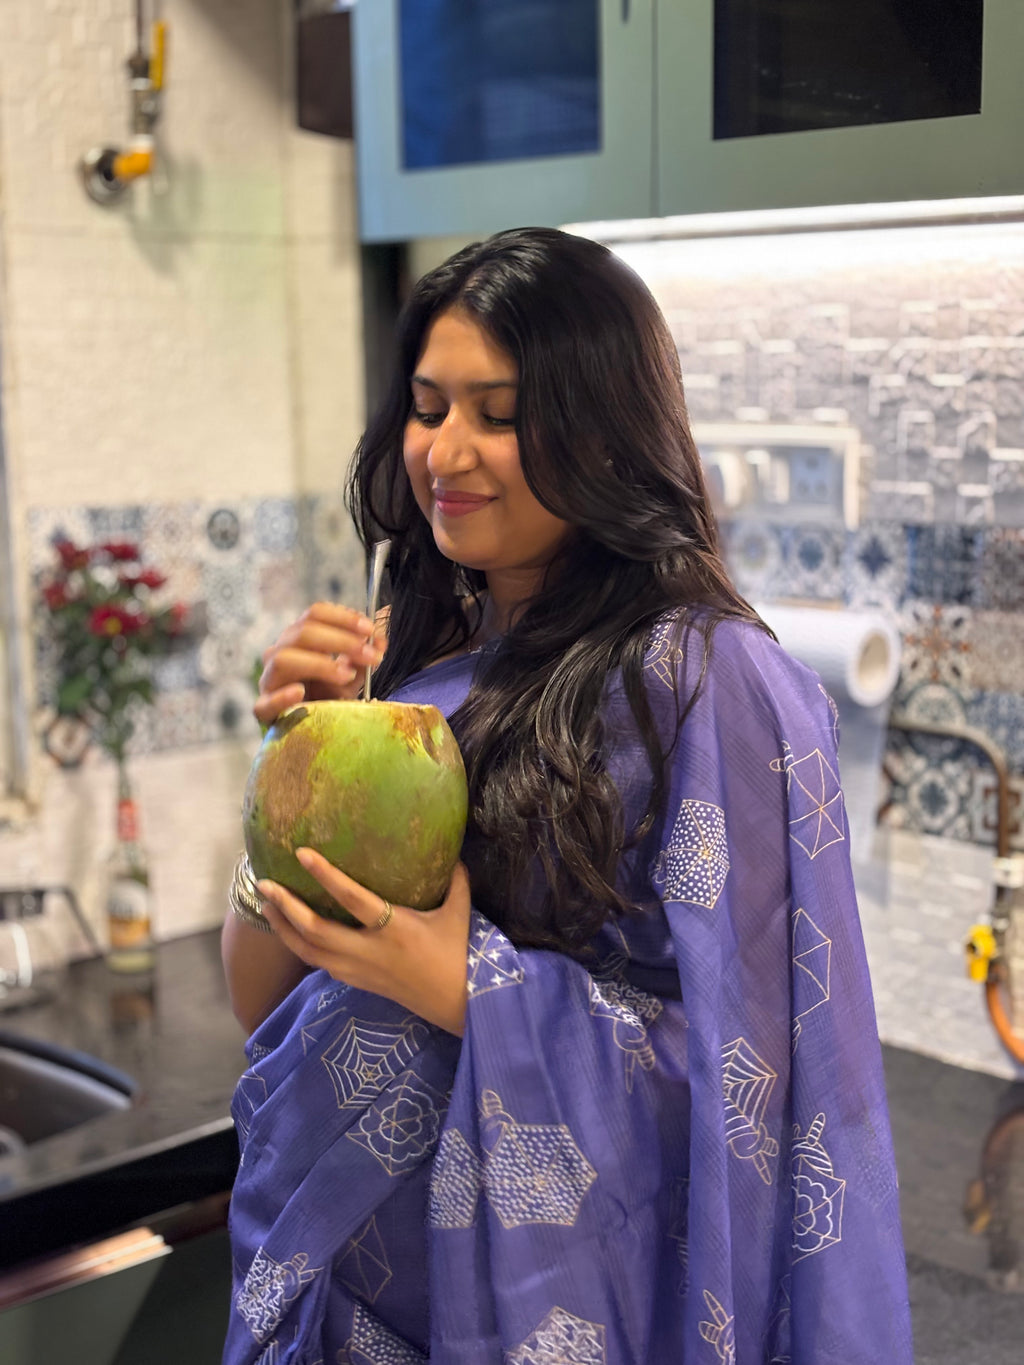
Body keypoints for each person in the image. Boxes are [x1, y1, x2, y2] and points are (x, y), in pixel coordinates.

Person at [221, 227, 914, 1364]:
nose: (445, 451)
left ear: (602, 430)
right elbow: (268, 1004)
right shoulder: (412, 669)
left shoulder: (707, 682)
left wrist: (467, 985)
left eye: (499, 414)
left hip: (550, 1314)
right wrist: (285, 789)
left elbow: (753, 1095)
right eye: (429, 406)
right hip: (356, 1311)